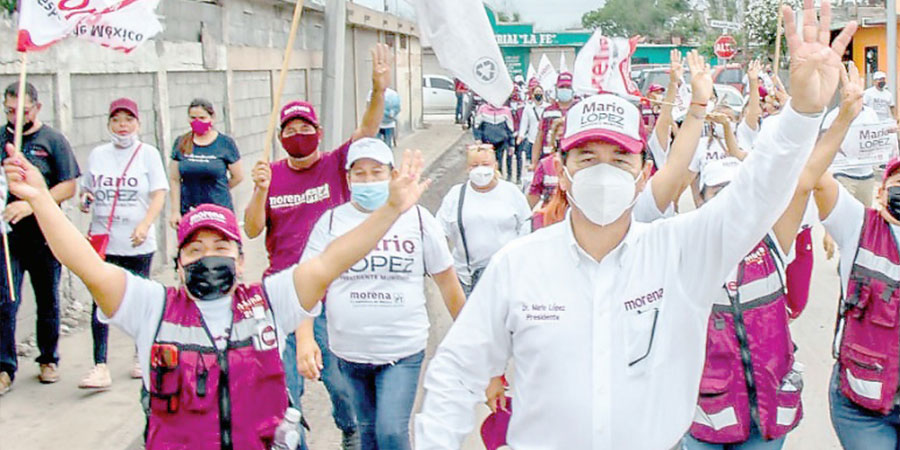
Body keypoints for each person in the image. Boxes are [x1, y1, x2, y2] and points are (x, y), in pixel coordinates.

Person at [413, 3, 855, 447]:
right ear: (562, 172)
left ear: (643, 175)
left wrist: (802, 113)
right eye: (587, 158)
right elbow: (456, 372)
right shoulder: (517, 266)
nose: (603, 171)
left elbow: (756, 193)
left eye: (620, 158)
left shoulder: (681, 252)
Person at [1, 139, 429, 448]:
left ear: (241, 261)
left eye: (222, 247)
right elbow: (87, 266)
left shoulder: (270, 302)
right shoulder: (152, 307)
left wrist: (391, 209)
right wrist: (41, 200)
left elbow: (332, 260)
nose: (209, 256)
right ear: (179, 263)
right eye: (195, 249)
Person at [244, 43, 394, 450]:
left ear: (319, 133)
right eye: (290, 130)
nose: (298, 136)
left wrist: (378, 90)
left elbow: (367, 130)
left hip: (331, 293)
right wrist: (259, 191)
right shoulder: (271, 175)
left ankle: (350, 428)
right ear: (280, 137)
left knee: (340, 380)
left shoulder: (334, 165)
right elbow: (252, 229)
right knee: (282, 387)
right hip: (282, 294)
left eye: (304, 128)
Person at [300, 139, 466, 450]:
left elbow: (447, 282)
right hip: (349, 352)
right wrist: (305, 337)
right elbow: (308, 284)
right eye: (359, 174)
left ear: (392, 175)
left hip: (402, 351)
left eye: (376, 172)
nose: (368, 180)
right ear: (348, 178)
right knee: (368, 433)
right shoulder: (332, 222)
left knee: (391, 432)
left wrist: (470, 336)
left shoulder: (418, 220)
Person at [77, 98, 169, 389]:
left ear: (138, 123)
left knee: (138, 299)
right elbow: (86, 191)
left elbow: (159, 193)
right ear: (108, 124)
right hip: (104, 242)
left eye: (128, 120)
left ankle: (140, 354)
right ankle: (99, 365)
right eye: (116, 120)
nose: (122, 126)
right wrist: (85, 200)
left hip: (137, 242)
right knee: (100, 302)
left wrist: (145, 224)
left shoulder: (148, 154)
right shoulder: (98, 155)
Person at [0, 81, 80, 393]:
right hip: (8, 237)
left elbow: (68, 186)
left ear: (37, 108)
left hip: (45, 235)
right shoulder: (2, 139)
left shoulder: (52, 140)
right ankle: (5, 367)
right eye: (9, 111)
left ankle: (48, 359)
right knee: (6, 301)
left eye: (23, 111)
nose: (16, 117)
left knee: (47, 299)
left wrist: (32, 204)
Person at [437, 144, 531, 297]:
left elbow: (527, 228)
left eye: (485, 164)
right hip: (467, 278)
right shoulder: (456, 195)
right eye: (475, 165)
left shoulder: (511, 192)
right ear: (467, 169)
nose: (480, 170)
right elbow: (440, 232)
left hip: (506, 276)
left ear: (495, 166)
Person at [168, 98, 244, 229]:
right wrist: (175, 211)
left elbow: (238, 176)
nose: (197, 122)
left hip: (218, 210)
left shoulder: (225, 143)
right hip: (189, 210)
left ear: (212, 118)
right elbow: (174, 179)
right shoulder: (181, 142)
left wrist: (217, 190)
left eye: (202, 118)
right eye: (193, 118)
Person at [531, 72, 576, 168]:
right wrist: (534, 163)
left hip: (572, 159)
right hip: (549, 159)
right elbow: (539, 137)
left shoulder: (578, 109)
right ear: (556, 89)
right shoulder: (548, 111)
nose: (565, 89)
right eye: (562, 87)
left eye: (568, 87)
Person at [473, 100, 515, 181]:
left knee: (499, 162)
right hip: (486, 142)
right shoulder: (482, 109)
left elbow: (510, 129)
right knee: (487, 162)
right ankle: (487, 180)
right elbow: (476, 125)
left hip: (501, 141)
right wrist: (478, 138)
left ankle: (497, 180)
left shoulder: (506, 111)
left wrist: (511, 144)